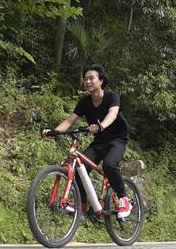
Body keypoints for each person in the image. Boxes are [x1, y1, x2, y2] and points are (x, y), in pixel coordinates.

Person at [42, 64, 132, 218]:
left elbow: (113, 113)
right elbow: (70, 121)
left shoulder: (112, 97)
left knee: (109, 165)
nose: (88, 82)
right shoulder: (85, 102)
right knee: (79, 167)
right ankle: (82, 206)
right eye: (85, 79)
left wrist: (101, 125)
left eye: (91, 78)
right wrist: (53, 132)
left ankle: (124, 199)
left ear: (101, 80)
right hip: (99, 141)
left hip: (117, 139)